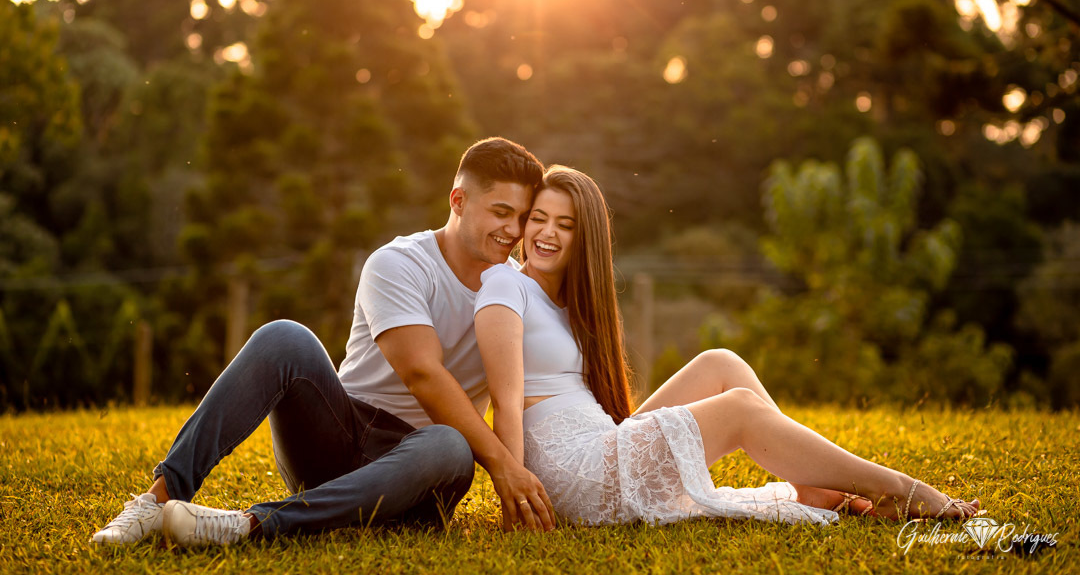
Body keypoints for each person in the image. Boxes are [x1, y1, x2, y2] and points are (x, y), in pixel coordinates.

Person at [92, 137, 556, 547]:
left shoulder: (517, 292)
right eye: (500, 212)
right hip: (337, 436)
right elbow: (422, 373)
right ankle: (157, 501)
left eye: (521, 217)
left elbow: (529, 389)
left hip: (418, 469)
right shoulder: (397, 264)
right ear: (458, 200)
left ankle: (252, 526)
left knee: (450, 446)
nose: (514, 231)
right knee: (285, 337)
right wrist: (502, 467)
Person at [474, 165, 981, 527]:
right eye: (538, 218)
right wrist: (513, 491)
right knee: (738, 409)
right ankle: (898, 489)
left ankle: (814, 488)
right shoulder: (505, 284)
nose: (546, 233)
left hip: (598, 442)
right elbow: (507, 401)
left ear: (586, 237)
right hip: (574, 473)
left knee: (720, 361)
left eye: (565, 224)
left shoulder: (567, 300)